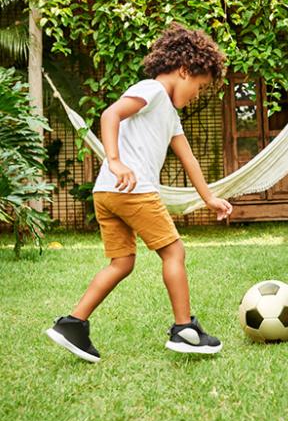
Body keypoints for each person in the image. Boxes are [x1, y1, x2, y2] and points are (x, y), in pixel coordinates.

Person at [45, 23, 233, 362]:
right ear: (184, 70)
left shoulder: (170, 115)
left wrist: (209, 198)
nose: (198, 94)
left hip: (108, 193)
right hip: (131, 190)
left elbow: (188, 158)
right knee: (174, 252)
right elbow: (111, 113)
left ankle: (73, 324)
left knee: (122, 263)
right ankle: (184, 329)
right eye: (200, 86)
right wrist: (114, 160)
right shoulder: (153, 90)